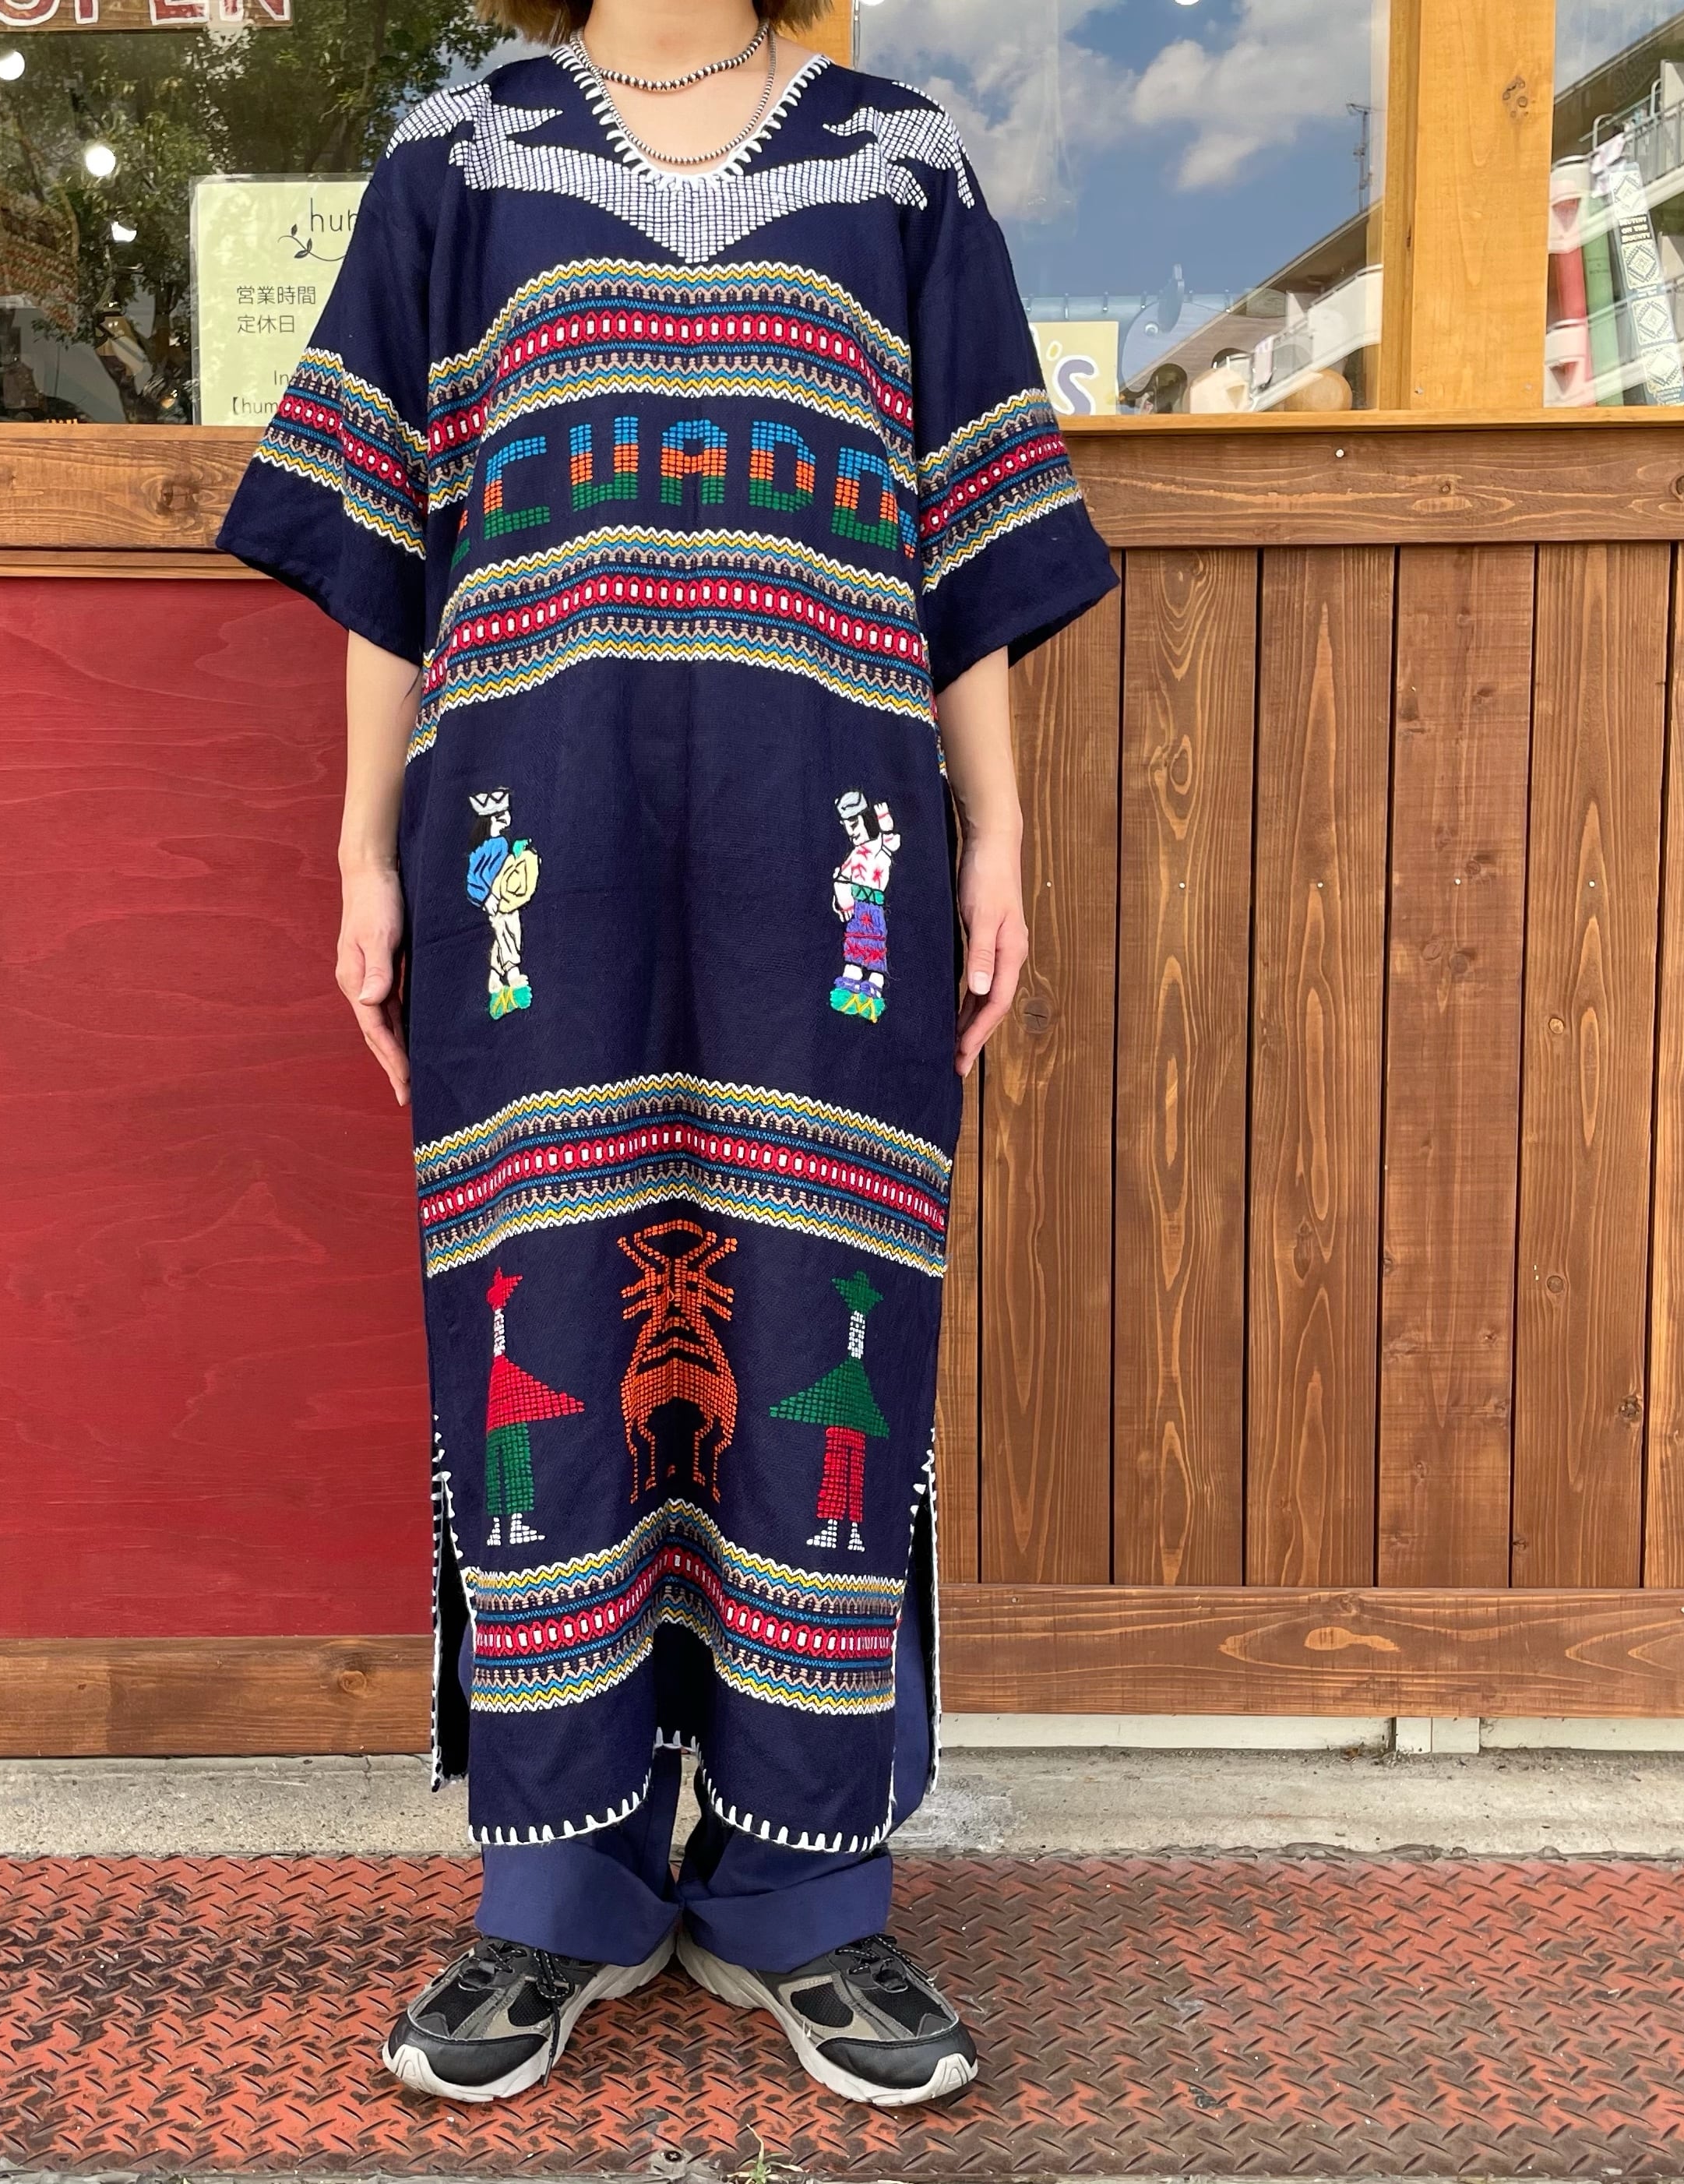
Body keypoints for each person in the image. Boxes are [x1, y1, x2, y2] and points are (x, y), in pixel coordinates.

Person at [217, 0, 1114, 2109]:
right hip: (536, 853)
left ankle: (808, 1886)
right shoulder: (459, 163)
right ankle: (559, 1889)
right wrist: (360, 851)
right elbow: (385, 556)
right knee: (537, 1309)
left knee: (826, 1310)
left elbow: (967, 541)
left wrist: (1000, 831)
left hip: (834, 859)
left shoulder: (903, 165)